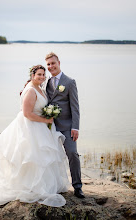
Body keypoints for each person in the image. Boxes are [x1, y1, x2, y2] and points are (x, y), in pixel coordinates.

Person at [0, 65, 70, 207]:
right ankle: (31, 185)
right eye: (39, 75)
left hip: (40, 127)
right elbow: (27, 114)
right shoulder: (30, 90)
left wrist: (48, 115)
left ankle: (44, 185)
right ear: (32, 75)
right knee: (32, 157)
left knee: (42, 158)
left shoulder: (39, 88)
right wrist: (46, 120)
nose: (41, 77)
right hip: (31, 128)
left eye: (43, 75)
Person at [44, 52, 85, 198]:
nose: (51, 66)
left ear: (59, 63)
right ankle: (51, 185)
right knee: (49, 156)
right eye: (48, 64)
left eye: (53, 63)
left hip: (67, 126)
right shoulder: (46, 82)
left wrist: (75, 127)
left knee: (73, 154)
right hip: (50, 127)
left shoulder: (69, 82)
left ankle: (78, 186)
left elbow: (75, 106)